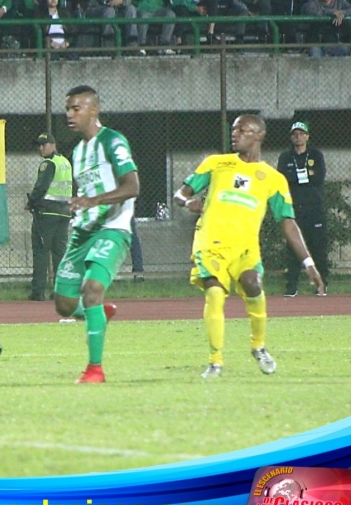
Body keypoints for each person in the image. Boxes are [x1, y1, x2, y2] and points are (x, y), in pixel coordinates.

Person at [173, 114, 325, 379]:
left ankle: (258, 347)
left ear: (259, 135)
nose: (235, 134)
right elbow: (180, 194)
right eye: (234, 129)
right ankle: (215, 362)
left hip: (245, 247)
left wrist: (308, 263)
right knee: (215, 293)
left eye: (243, 130)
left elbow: (287, 223)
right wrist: (188, 203)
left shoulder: (273, 178)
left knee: (254, 285)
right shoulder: (216, 163)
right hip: (211, 242)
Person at [54, 85, 140, 384]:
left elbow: (132, 186)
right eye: (68, 108)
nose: (70, 114)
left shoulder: (112, 141)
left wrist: (94, 201)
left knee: (91, 288)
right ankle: (98, 313)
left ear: (94, 109)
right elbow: (88, 190)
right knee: (63, 303)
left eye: (76, 108)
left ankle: (95, 369)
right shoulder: (78, 151)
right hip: (84, 230)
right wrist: (81, 205)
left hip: (112, 227)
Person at [277, 121, 329, 296]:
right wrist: (303, 178)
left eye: (301, 133)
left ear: (307, 136)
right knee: (293, 248)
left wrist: (297, 179)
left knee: (318, 247)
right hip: (294, 208)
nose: (298, 137)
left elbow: (318, 178)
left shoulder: (316, 155)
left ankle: (322, 286)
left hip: (314, 208)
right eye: (295, 134)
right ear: (291, 137)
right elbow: (283, 179)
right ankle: (291, 287)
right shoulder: (286, 157)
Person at [26, 131, 73, 302]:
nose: (40, 148)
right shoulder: (65, 162)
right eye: (39, 145)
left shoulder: (48, 164)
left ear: (53, 145)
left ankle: (38, 291)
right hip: (64, 212)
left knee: (41, 251)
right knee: (59, 252)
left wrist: (30, 203)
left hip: (47, 212)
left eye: (43, 145)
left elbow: (41, 187)